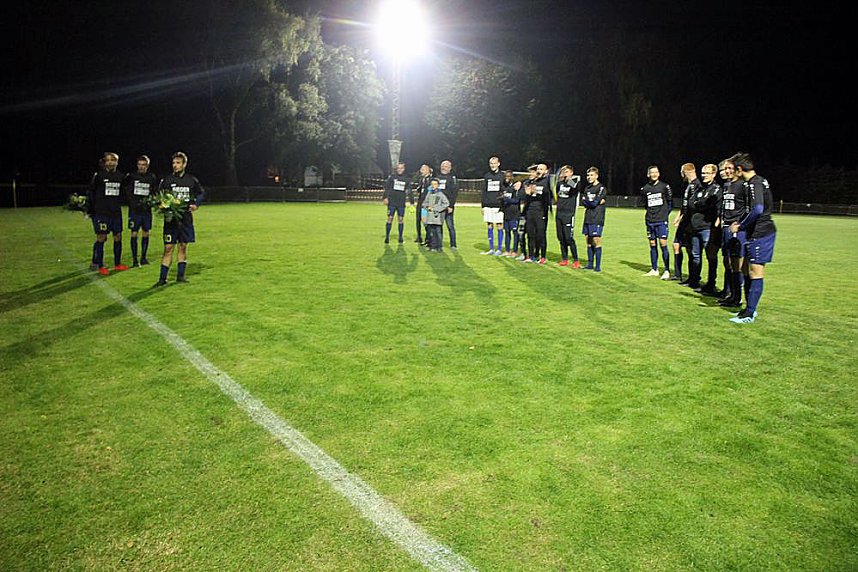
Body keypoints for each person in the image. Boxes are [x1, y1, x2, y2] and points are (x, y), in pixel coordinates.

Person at [729, 152, 776, 324]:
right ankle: (748, 310)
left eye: (734, 169)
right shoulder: (758, 181)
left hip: (761, 232)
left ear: (740, 169)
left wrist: (740, 226)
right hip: (755, 232)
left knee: (756, 272)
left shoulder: (754, 183)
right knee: (747, 270)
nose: (733, 173)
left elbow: (757, 209)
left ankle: (749, 314)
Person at [153, 152, 205, 287]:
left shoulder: (191, 180)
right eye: (174, 163)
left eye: (178, 163)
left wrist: (196, 204)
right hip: (170, 221)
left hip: (186, 220)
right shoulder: (166, 181)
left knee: (182, 247)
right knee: (168, 248)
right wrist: (161, 205)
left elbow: (201, 193)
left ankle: (180, 276)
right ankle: (162, 279)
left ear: (184, 164)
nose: (175, 165)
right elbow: (159, 196)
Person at [87, 151, 128, 275]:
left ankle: (117, 264)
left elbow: (124, 193)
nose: (111, 162)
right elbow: (91, 192)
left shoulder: (121, 176)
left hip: (116, 212)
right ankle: (99, 265)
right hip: (102, 213)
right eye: (108, 160)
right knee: (102, 237)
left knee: (118, 237)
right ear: (105, 162)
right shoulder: (98, 176)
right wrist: (90, 210)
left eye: (113, 160)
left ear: (117, 162)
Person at [717, 158, 750, 308]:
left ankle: (738, 298)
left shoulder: (743, 186)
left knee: (737, 264)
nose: (727, 171)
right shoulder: (727, 185)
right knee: (728, 262)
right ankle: (731, 294)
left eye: (730, 168)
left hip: (737, 228)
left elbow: (750, 208)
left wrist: (741, 224)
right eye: (725, 169)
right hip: (726, 227)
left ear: (737, 169)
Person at [687, 164, 721, 290]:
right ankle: (695, 281)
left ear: (713, 174)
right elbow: (691, 204)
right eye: (702, 173)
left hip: (707, 227)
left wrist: (700, 204)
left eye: (707, 173)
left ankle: (711, 283)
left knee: (711, 257)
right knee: (696, 255)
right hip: (695, 226)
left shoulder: (716, 189)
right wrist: (700, 204)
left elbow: (711, 206)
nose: (704, 175)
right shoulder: (699, 188)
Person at [122, 155, 158, 267]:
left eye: (144, 165)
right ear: (137, 165)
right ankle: (134, 260)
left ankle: (143, 257)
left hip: (146, 211)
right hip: (134, 211)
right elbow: (127, 191)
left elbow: (154, 192)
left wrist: (151, 202)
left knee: (146, 232)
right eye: (140, 164)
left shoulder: (152, 177)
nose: (142, 167)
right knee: (134, 233)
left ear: (148, 165)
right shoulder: (132, 176)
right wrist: (133, 202)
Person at [640, 165, 672, 279]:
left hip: (661, 220)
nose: (654, 174)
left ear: (658, 174)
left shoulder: (665, 187)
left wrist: (664, 215)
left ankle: (667, 270)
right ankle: (654, 269)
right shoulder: (645, 189)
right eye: (651, 172)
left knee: (663, 244)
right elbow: (645, 204)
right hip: (650, 220)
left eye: (656, 172)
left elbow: (670, 203)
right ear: (648, 174)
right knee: (652, 244)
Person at [671, 163, 701, 282]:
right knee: (676, 245)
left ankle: (693, 276)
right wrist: (678, 217)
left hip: (690, 222)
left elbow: (693, 206)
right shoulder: (689, 186)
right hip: (684, 220)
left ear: (685, 172)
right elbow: (685, 205)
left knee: (690, 249)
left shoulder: (697, 185)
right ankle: (678, 274)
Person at [522, 164, 551, 264]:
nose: (539, 171)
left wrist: (538, 193)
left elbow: (547, 197)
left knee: (541, 235)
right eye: (538, 169)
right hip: (530, 211)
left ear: (546, 171)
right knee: (530, 234)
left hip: (541, 211)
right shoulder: (531, 182)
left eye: (541, 169)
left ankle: (542, 256)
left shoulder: (547, 182)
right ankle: (531, 256)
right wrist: (527, 194)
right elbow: (526, 197)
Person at [581, 167, 607, 271]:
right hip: (587, 217)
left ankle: (598, 266)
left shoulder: (601, 188)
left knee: (596, 240)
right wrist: (588, 202)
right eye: (588, 175)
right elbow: (586, 203)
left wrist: (587, 202)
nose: (589, 177)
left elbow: (594, 203)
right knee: (588, 240)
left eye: (591, 175)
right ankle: (590, 264)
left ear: (596, 176)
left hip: (597, 217)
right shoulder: (587, 188)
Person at [554, 165, 581, 267]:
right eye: (564, 172)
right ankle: (564, 258)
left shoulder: (575, 183)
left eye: (567, 172)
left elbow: (576, 189)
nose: (565, 173)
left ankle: (576, 260)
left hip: (568, 214)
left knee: (568, 237)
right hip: (559, 213)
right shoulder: (560, 183)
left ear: (571, 173)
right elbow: (555, 192)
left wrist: (569, 180)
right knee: (561, 237)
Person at [382, 161, 411, 244]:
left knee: (401, 219)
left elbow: (409, 191)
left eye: (401, 168)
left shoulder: (407, 179)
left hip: (401, 203)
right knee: (390, 218)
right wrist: (385, 197)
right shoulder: (392, 177)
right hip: (392, 202)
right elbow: (386, 188)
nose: (400, 169)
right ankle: (387, 237)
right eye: (398, 168)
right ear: (396, 169)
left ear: (404, 169)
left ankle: (400, 237)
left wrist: (411, 202)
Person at [482, 156, 505, 255]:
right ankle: (491, 248)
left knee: (499, 225)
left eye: (494, 163)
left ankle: (499, 249)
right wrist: (482, 205)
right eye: (491, 163)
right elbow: (484, 191)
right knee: (489, 225)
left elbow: (505, 190)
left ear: (498, 164)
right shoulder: (487, 176)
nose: (492, 165)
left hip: (498, 205)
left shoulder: (502, 176)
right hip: (488, 205)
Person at [515, 165, 538, 261]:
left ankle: (533, 255)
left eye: (533, 172)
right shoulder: (526, 183)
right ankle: (523, 253)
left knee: (533, 235)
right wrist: (525, 192)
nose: (531, 174)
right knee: (521, 233)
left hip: (535, 213)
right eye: (530, 172)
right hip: (524, 212)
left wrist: (531, 193)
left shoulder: (539, 183)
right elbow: (520, 196)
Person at [422, 178, 450, 252]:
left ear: (438, 185)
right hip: (430, 217)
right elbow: (425, 203)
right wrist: (427, 207)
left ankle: (439, 247)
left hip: (437, 217)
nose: (433, 186)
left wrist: (437, 209)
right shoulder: (429, 193)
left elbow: (446, 203)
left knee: (438, 232)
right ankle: (433, 246)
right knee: (432, 232)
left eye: (435, 184)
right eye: (432, 184)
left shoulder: (440, 194)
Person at [436, 160, 458, 250]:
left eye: (445, 166)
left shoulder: (452, 178)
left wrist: (451, 206)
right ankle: (439, 245)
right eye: (442, 166)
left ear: (450, 168)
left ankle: (453, 245)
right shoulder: (437, 178)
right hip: (438, 206)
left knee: (450, 226)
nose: (443, 167)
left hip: (448, 206)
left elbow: (454, 193)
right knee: (438, 226)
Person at [500, 170, 521, 256]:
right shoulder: (504, 187)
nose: (507, 178)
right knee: (507, 232)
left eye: (508, 176)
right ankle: (507, 250)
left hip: (514, 214)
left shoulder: (516, 188)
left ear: (512, 177)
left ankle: (515, 251)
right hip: (506, 213)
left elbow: (516, 200)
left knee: (515, 233)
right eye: (505, 176)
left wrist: (506, 199)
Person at [414, 164, 432, 245]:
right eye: (421, 169)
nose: (421, 171)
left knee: (425, 220)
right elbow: (420, 189)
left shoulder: (431, 180)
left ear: (428, 170)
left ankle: (429, 238)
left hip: (426, 203)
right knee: (418, 219)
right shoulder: (422, 179)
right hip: (420, 201)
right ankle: (419, 237)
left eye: (423, 169)